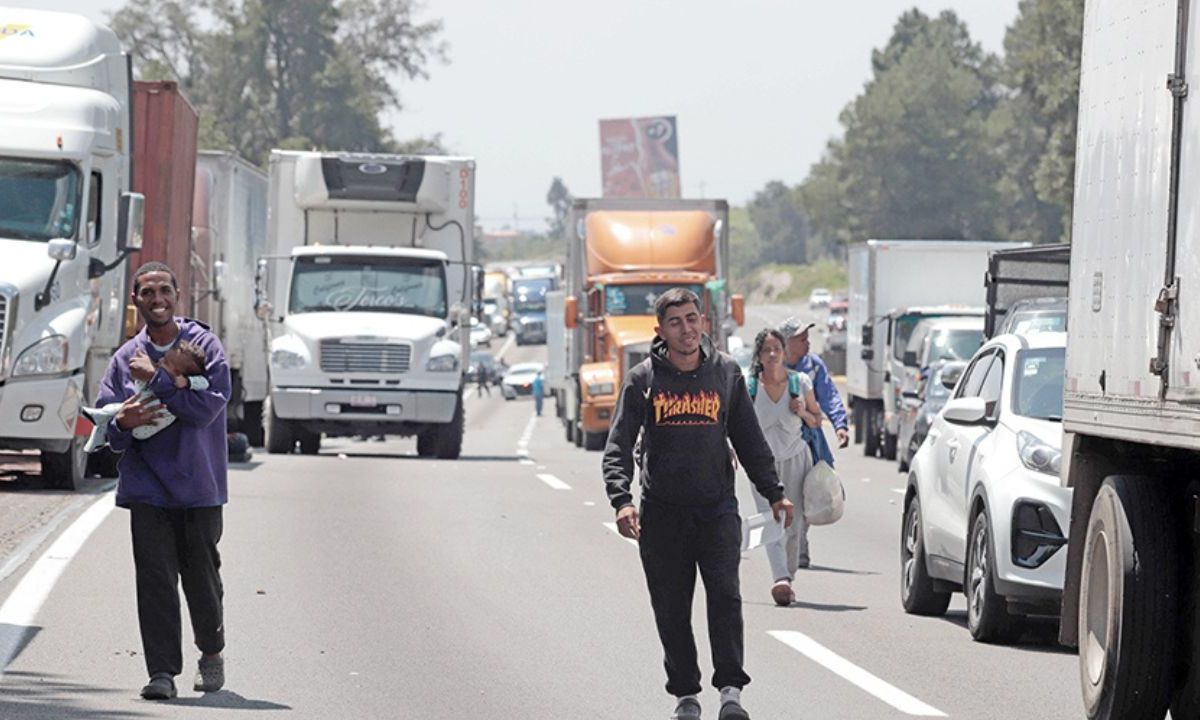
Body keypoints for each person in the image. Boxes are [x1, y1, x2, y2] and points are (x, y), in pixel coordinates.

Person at [603, 287, 794, 720]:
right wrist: (621, 500)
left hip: (717, 511)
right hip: (662, 514)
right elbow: (618, 446)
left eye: (692, 319)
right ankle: (686, 696)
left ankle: (730, 693)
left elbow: (748, 438)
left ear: (703, 321)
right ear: (661, 330)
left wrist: (775, 491)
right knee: (671, 607)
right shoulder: (643, 380)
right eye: (675, 322)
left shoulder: (726, 374)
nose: (686, 329)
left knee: (726, 597)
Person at [94, 261, 231, 701]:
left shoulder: (204, 346)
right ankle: (162, 673)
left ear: (177, 295)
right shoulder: (122, 359)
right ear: (135, 300)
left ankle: (211, 650)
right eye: (147, 293)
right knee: (154, 581)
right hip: (146, 487)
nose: (157, 300)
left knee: (201, 580)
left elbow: (206, 409)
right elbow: (107, 427)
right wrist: (122, 421)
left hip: (198, 486)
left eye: (164, 291)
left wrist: (158, 381)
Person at [746, 328, 822, 604]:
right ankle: (780, 578)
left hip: (796, 460)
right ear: (759, 355)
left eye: (777, 348)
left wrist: (801, 410)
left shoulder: (799, 383)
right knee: (769, 518)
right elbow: (736, 425)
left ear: (785, 352)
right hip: (761, 466)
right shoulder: (749, 387)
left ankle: (787, 575)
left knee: (795, 521)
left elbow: (816, 420)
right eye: (766, 350)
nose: (772, 354)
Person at [83, 342, 210, 452]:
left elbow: (205, 383)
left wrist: (187, 382)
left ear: (177, 372)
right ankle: (98, 432)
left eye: (165, 362)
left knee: (119, 408)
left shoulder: (176, 384)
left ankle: (99, 417)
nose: (159, 362)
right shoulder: (165, 382)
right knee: (122, 407)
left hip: (149, 424)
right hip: (145, 416)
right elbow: (141, 390)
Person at [779, 317, 850, 449]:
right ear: (787, 343)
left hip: (810, 435)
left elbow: (829, 396)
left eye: (807, 338)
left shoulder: (814, 365)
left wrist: (840, 426)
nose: (808, 343)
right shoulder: (774, 368)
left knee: (822, 468)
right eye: (802, 340)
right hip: (780, 437)